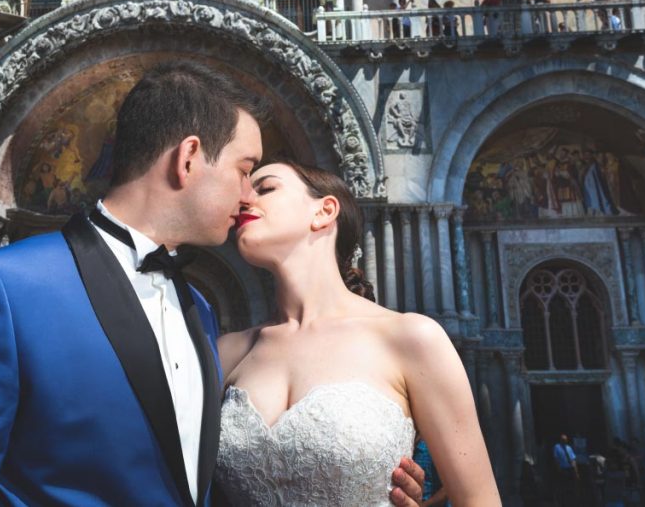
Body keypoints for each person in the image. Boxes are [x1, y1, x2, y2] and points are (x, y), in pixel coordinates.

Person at [0, 61, 425, 506]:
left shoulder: (200, 311)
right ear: (189, 158)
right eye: (245, 170)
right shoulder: (6, 289)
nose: (248, 197)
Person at [214, 159, 499, 505]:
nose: (244, 198)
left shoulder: (411, 338)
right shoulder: (226, 352)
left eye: (266, 188)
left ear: (324, 211)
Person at [552, 433, 579, 506]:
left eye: (566, 439)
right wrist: (558, 468)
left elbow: (573, 459)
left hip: (570, 468)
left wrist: (576, 471)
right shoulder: (557, 447)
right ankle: (564, 502)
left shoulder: (569, 448)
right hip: (563, 469)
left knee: (572, 486)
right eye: (563, 439)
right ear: (560, 440)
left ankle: (572, 501)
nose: (565, 441)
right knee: (564, 486)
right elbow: (556, 458)